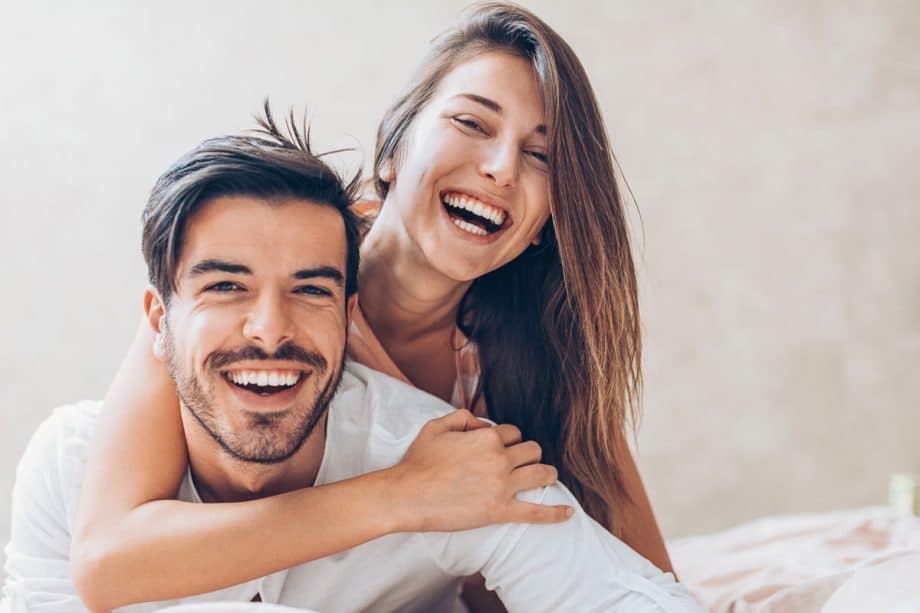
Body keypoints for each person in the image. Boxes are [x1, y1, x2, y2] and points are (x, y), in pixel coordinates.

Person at [71, 2, 673, 610]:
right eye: (472, 123)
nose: (500, 170)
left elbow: (643, 581)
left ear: (546, 222)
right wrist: (405, 493)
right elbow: (106, 562)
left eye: (539, 156)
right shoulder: (255, 289)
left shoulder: (536, 359)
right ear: (392, 149)